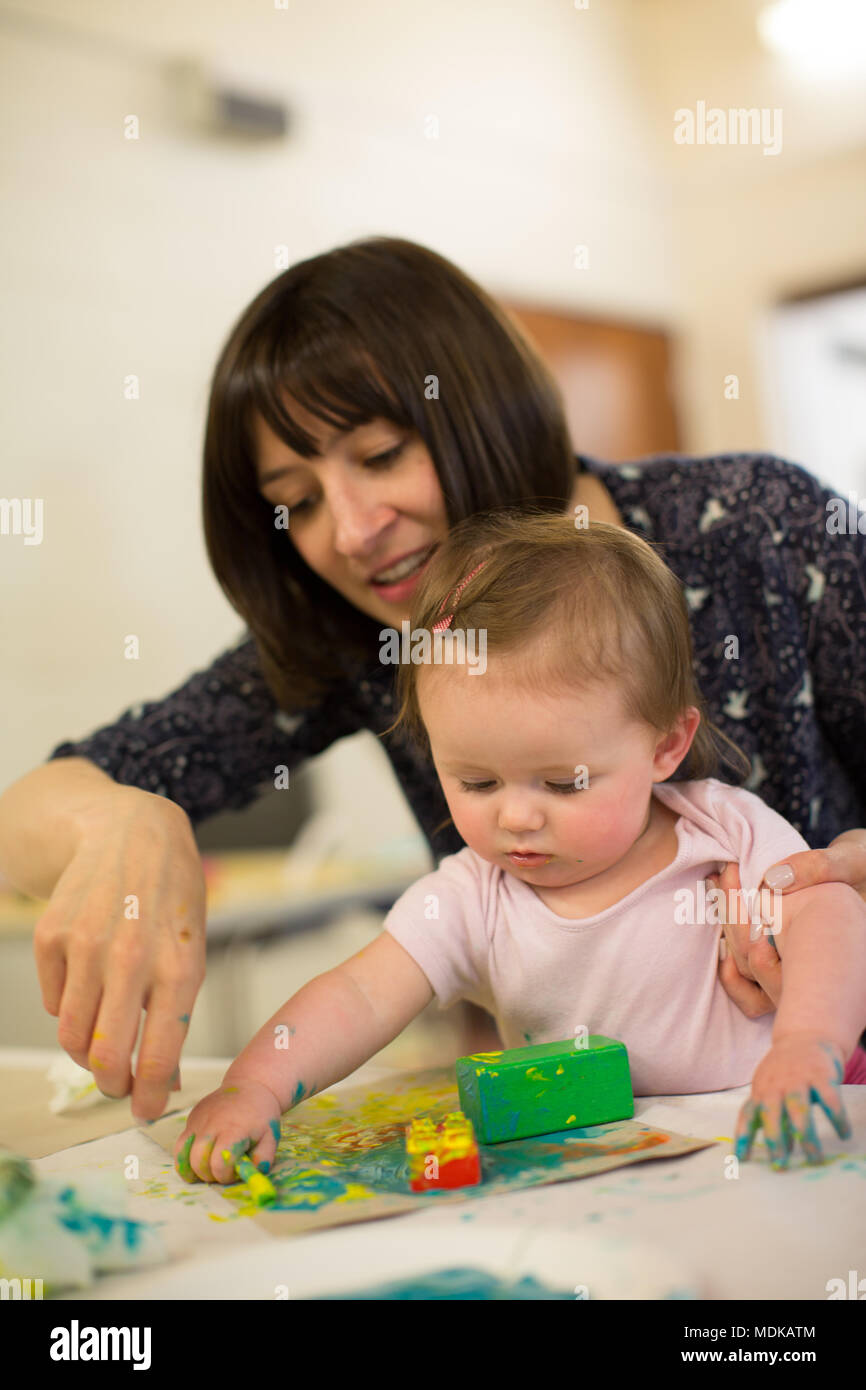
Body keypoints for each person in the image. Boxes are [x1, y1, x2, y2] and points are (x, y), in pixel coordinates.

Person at [0, 236, 864, 1124]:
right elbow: (24, 818)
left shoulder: (763, 528)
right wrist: (117, 818)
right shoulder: (357, 629)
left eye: (378, 455)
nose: (350, 531)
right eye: (296, 500)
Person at [172, 514, 866, 1184]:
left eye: (564, 783)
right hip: (607, 1169)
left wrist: (809, 1042)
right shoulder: (471, 897)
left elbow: (830, 913)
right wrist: (254, 1087)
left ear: (665, 746)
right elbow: (357, 994)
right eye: (475, 781)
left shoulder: (724, 831)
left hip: (784, 1119)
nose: (517, 815)